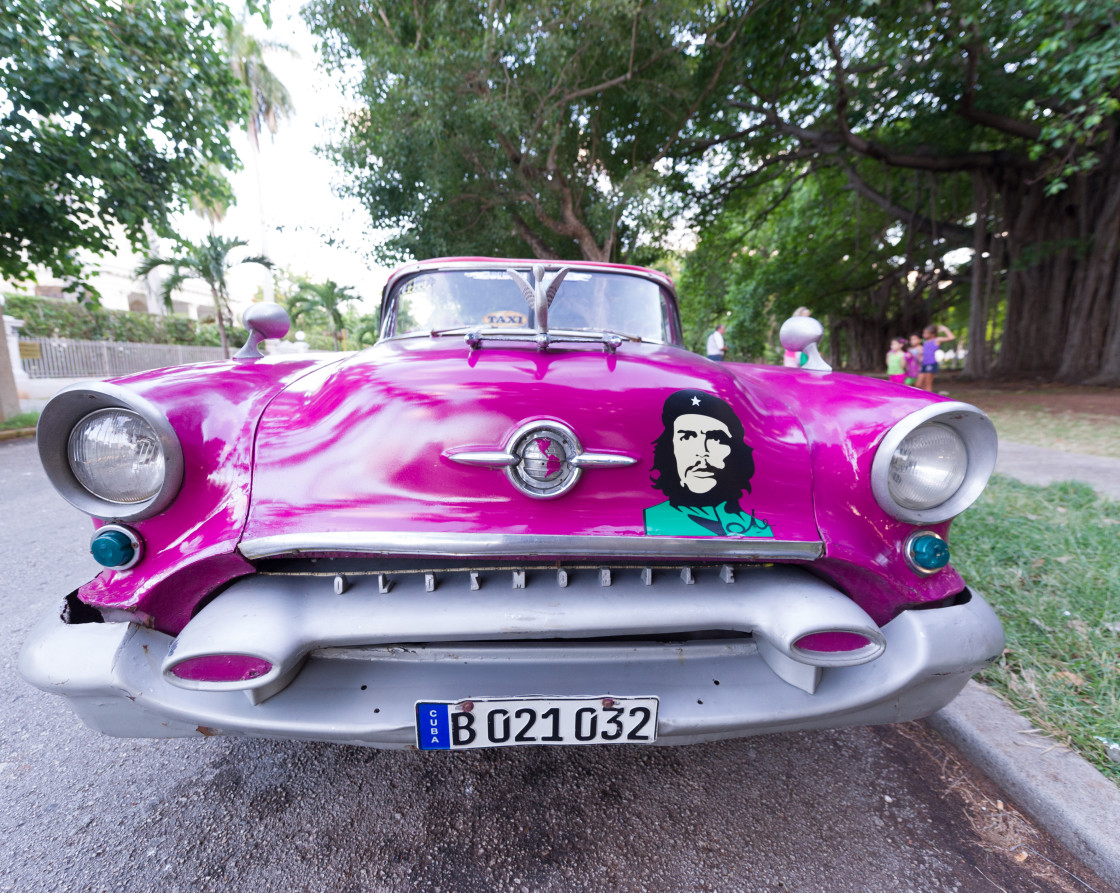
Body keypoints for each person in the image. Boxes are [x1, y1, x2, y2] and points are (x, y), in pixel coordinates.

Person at [644, 389, 773, 538]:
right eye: (687, 437)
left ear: (736, 451)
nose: (702, 451)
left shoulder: (758, 529)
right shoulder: (652, 520)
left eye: (716, 438)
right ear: (669, 449)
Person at [917, 323, 955, 391]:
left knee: (927, 384)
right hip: (924, 364)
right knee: (918, 384)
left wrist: (945, 329)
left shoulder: (937, 339)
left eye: (926, 333)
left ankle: (928, 399)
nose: (924, 334)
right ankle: (923, 396)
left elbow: (951, 337)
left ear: (932, 334)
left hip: (931, 363)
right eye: (924, 333)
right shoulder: (925, 341)